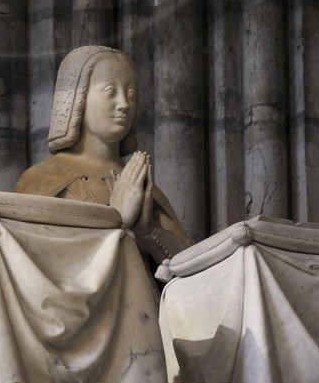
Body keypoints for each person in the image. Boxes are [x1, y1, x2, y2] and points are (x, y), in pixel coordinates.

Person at [14, 44, 191, 266]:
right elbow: (31, 264)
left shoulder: (140, 185)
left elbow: (191, 270)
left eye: (131, 94)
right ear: (77, 100)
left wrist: (148, 230)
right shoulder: (41, 180)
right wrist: (115, 218)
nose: (124, 104)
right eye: (110, 92)